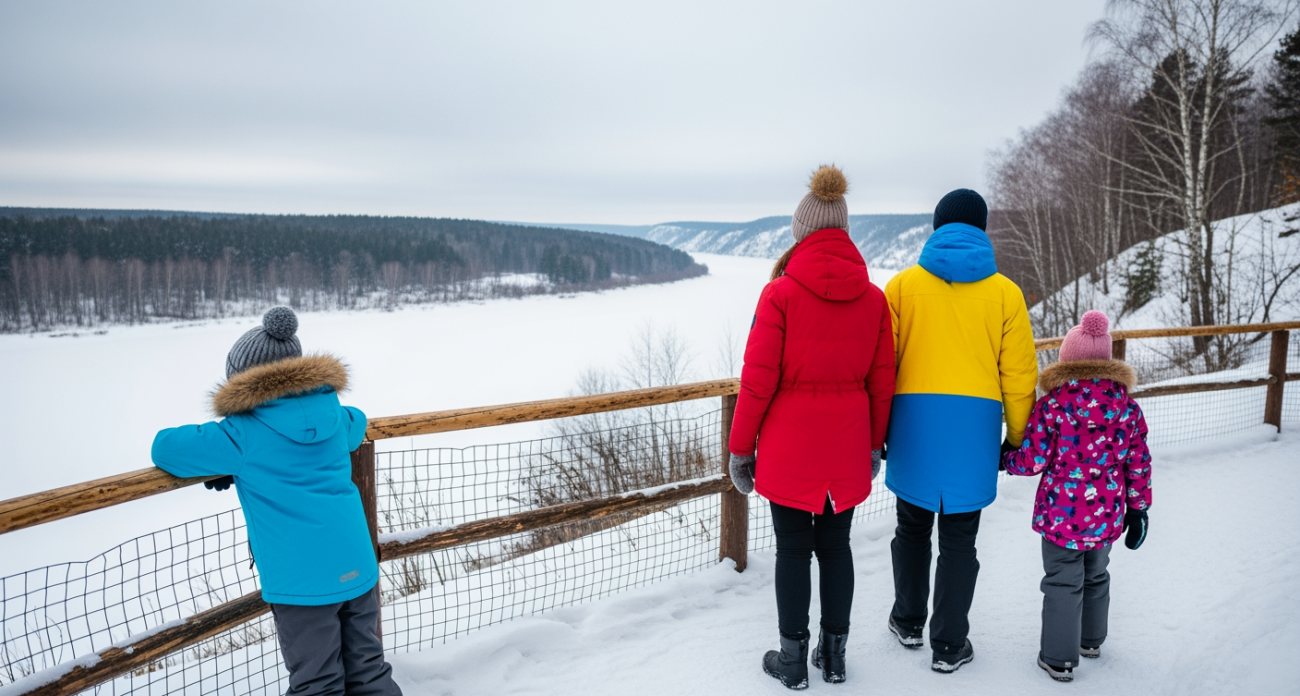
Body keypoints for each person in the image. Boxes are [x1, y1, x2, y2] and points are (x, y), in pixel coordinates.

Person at [151, 306, 402, 696]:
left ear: (243, 380)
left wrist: (231, 463)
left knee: (318, 682)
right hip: (357, 564)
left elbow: (164, 449)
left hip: (302, 582)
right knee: (369, 670)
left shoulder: (239, 435)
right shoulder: (335, 414)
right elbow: (358, 422)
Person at [728, 165, 896, 689]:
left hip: (789, 450)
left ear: (799, 233)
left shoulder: (779, 295)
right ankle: (836, 656)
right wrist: (873, 444)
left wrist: (740, 449)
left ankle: (793, 660)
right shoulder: (874, 299)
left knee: (793, 552)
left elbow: (756, 383)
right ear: (844, 233)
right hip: (846, 448)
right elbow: (882, 381)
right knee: (837, 549)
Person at [882, 188, 1038, 673]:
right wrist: (1015, 437)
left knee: (910, 528)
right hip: (973, 432)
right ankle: (949, 645)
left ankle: (907, 621)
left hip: (912, 427)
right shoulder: (1007, 294)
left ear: (936, 227)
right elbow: (1019, 377)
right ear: (982, 230)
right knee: (959, 540)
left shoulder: (902, 287)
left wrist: (879, 430)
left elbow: (882, 366)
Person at [1002, 310, 1152, 683]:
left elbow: (1033, 460)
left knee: (1062, 581)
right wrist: (1139, 509)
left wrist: (1005, 459)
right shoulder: (1127, 409)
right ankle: (1090, 640)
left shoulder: (1053, 405)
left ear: (1066, 359)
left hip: (1061, 516)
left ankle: (1058, 657)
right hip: (1106, 514)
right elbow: (1138, 464)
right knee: (1096, 574)